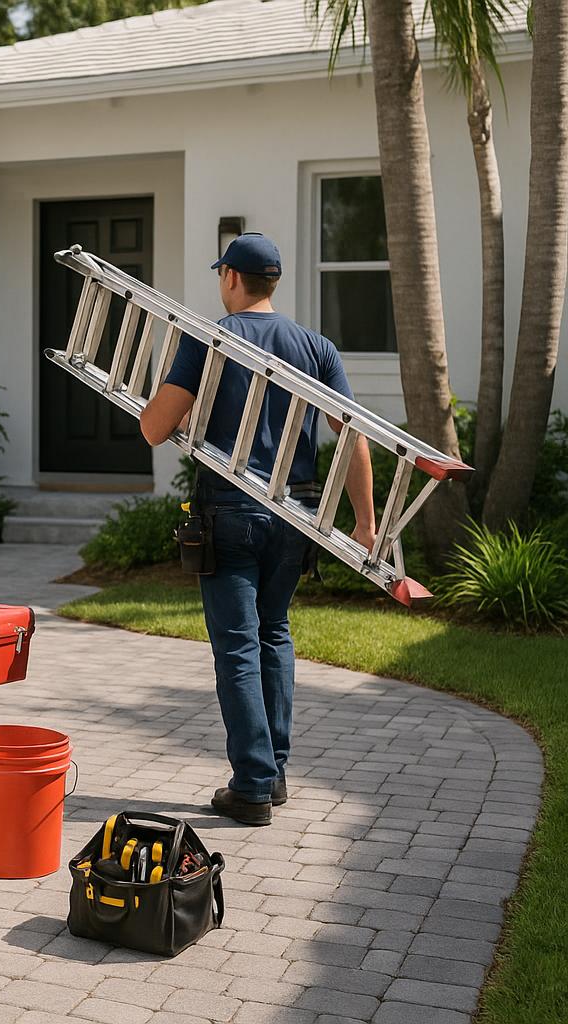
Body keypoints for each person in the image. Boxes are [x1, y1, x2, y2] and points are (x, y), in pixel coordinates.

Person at [138, 233, 376, 826]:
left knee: (238, 646)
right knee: (274, 633)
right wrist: (367, 523)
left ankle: (251, 786)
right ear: (275, 281)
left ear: (230, 278)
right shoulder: (317, 348)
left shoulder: (210, 339)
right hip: (296, 515)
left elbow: (154, 428)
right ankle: (274, 775)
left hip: (230, 510)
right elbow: (353, 434)